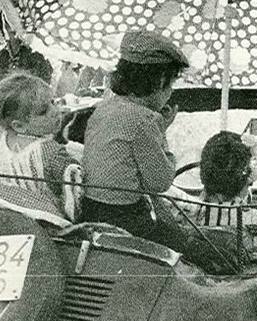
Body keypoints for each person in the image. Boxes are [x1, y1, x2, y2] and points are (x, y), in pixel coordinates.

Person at [80, 30, 189, 235]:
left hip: (90, 212)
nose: (171, 91)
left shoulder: (103, 108)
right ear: (159, 81)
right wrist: (161, 132)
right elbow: (161, 182)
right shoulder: (144, 120)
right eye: (171, 84)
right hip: (126, 219)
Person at [0, 71, 78, 224]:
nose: (55, 111)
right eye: (43, 111)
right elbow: (74, 189)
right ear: (19, 125)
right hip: (44, 220)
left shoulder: (3, 137)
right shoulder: (49, 151)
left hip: (8, 214)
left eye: (52, 102)